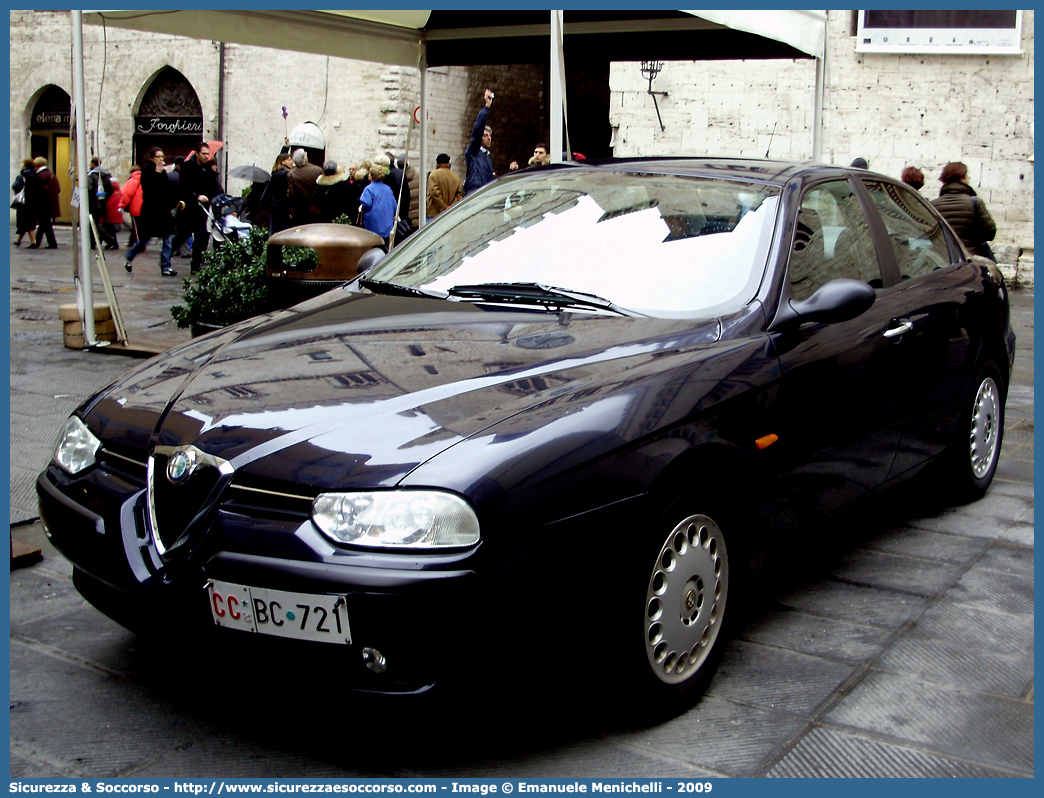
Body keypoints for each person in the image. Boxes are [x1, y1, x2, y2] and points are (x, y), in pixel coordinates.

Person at [124, 147, 177, 276]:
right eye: (159, 156)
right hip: (151, 212)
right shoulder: (147, 172)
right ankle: (129, 257)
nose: (161, 159)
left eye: (162, 156)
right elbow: (150, 190)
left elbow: (166, 188)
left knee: (168, 238)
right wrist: (158, 174)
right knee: (144, 239)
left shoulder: (162, 172)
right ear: (152, 158)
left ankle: (166, 266)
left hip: (163, 211)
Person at [931, 161, 997, 260]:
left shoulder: (932, 205)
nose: (969, 179)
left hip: (943, 261)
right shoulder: (974, 203)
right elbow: (990, 233)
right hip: (971, 260)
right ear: (962, 177)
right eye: (967, 176)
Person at [179, 140, 223, 273]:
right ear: (197, 153)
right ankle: (169, 258)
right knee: (185, 235)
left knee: (202, 235)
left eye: (207, 154)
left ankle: (196, 263)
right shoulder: (187, 167)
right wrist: (196, 195)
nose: (206, 156)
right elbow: (184, 186)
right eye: (203, 154)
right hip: (190, 206)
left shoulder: (208, 168)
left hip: (204, 207)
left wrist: (219, 197)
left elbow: (215, 186)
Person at [464, 88, 495, 195]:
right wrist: (487, 107)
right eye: (485, 135)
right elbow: (477, 131)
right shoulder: (473, 152)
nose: (489, 138)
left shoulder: (487, 158)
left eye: (490, 135)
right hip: (474, 196)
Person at [359, 164, 396, 249]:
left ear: (371, 176)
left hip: (373, 225)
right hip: (387, 224)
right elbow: (394, 206)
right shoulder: (388, 189)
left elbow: (366, 203)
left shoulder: (369, 189)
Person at [27, 156, 60, 249]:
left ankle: (51, 243)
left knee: (45, 224)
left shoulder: (42, 175)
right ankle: (38, 242)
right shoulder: (50, 174)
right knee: (44, 224)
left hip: (44, 204)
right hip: (49, 203)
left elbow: (41, 191)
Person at [259, 147, 294, 233]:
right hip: (281, 205)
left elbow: (279, 157)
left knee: (274, 227)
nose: (291, 161)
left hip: (274, 204)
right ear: (283, 162)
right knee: (282, 228)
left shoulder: (276, 172)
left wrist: (285, 148)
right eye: (289, 160)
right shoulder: (285, 174)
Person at [87, 157, 118, 250]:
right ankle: (112, 242)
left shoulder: (91, 175)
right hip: (103, 202)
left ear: (93, 163)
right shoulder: (106, 175)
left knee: (93, 223)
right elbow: (111, 189)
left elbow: (88, 189)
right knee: (106, 224)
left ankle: (107, 240)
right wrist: (105, 198)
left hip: (93, 203)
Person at [286, 148, 323, 225]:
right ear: (305, 158)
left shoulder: (291, 174)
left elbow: (292, 194)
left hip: (300, 209)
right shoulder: (318, 170)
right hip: (316, 207)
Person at [426, 153, 463, 223]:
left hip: (434, 213)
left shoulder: (433, 175)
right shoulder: (455, 177)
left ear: (437, 163)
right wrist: (450, 207)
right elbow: (459, 195)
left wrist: (444, 206)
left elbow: (434, 192)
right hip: (449, 214)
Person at [13, 158, 37, 247]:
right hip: (33, 202)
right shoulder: (35, 175)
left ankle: (33, 241)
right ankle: (18, 240)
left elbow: (16, 186)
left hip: (23, 203)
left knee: (24, 221)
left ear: (25, 166)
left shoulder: (22, 176)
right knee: (29, 221)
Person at [119, 166, 144, 249]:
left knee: (136, 227)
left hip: (136, 207)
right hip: (145, 206)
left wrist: (122, 205)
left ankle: (139, 244)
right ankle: (132, 242)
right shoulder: (146, 179)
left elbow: (126, 194)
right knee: (139, 226)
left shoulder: (132, 181)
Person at [104, 175, 123, 250]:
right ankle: (112, 243)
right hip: (116, 212)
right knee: (111, 229)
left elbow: (109, 203)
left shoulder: (110, 190)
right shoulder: (118, 191)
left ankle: (112, 243)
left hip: (110, 212)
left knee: (109, 228)